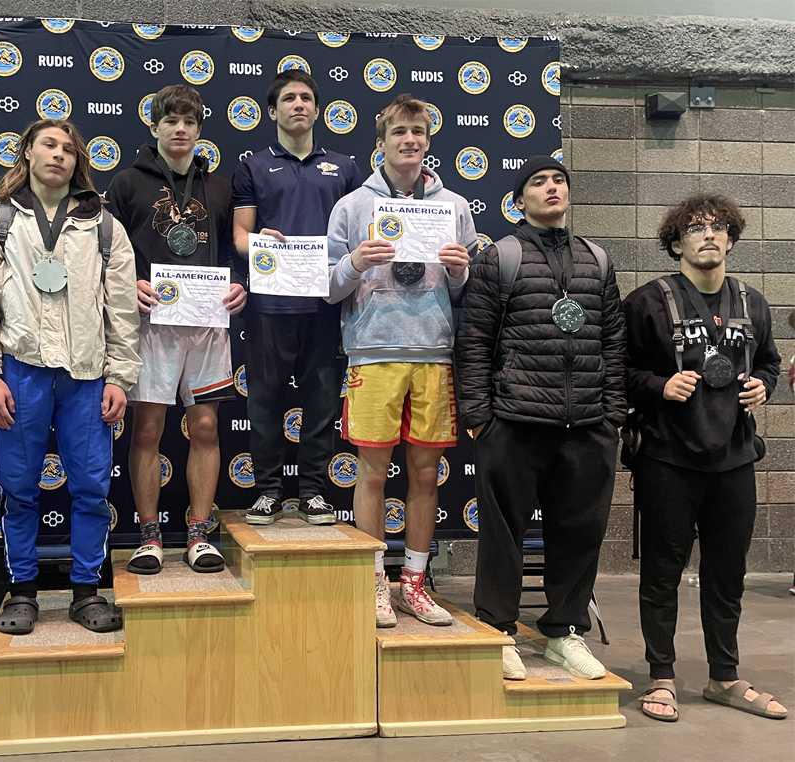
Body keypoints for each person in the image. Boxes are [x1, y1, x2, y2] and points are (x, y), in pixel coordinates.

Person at [0, 118, 140, 634]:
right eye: (49, 145)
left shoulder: (105, 226)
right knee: (18, 488)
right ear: (28, 154)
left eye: (68, 148)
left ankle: (87, 590)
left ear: (77, 160)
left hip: (86, 375)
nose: (59, 155)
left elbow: (122, 309)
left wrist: (119, 377)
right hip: (21, 372)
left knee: (89, 486)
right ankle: (22, 591)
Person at [455, 156, 625, 680]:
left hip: (587, 425)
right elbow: (475, 342)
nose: (551, 188)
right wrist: (481, 416)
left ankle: (564, 631)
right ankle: (499, 628)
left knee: (579, 531)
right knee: (503, 533)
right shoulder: (499, 258)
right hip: (515, 422)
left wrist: (612, 414)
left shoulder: (597, 260)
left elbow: (614, 342)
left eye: (558, 181)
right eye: (538, 183)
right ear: (519, 200)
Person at [623, 194, 786, 722]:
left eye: (718, 228)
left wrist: (762, 384)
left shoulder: (753, 301)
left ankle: (725, 677)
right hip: (667, 459)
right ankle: (662, 678)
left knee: (727, 574)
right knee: (663, 573)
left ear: (732, 239)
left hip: (734, 460)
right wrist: (657, 384)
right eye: (695, 229)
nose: (708, 235)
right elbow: (617, 371)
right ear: (676, 244)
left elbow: (769, 362)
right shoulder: (647, 302)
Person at [326, 94, 474, 627]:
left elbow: (465, 292)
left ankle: (413, 581)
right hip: (374, 351)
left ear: (428, 140)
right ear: (380, 143)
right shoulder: (352, 206)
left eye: (417, 131)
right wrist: (353, 261)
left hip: (432, 352)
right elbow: (325, 286)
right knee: (370, 472)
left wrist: (460, 272)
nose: (409, 140)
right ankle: (373, 584)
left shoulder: (453, 206)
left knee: (426, 473)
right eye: (398, 133)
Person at [106, 85, 246, 574]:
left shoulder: (221, 187)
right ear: (154, 127)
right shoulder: (127, 184)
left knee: (205, 425)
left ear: (200, 129)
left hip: (208, 323)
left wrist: (242, 286)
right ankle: (148, 535)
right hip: (151, 324)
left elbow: (236, 252)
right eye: (170, 121)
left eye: (189, 121)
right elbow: (107, 255)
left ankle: (198, 533)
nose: (180, 129)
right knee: (147, 427)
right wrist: (131, 287)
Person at [232, 70, 363, 526]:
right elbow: (240, 236)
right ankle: (267, 491)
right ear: (273, 111)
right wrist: (262, 243)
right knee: (263, 399)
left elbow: (356, 235)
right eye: (289, 98)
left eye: (307, 97)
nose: (299, 104)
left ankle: (313, 492)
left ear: (318, 109)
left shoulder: (344, 167)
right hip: (269, 304)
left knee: (322, 399)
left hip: (325, 304)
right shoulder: (253, 166)